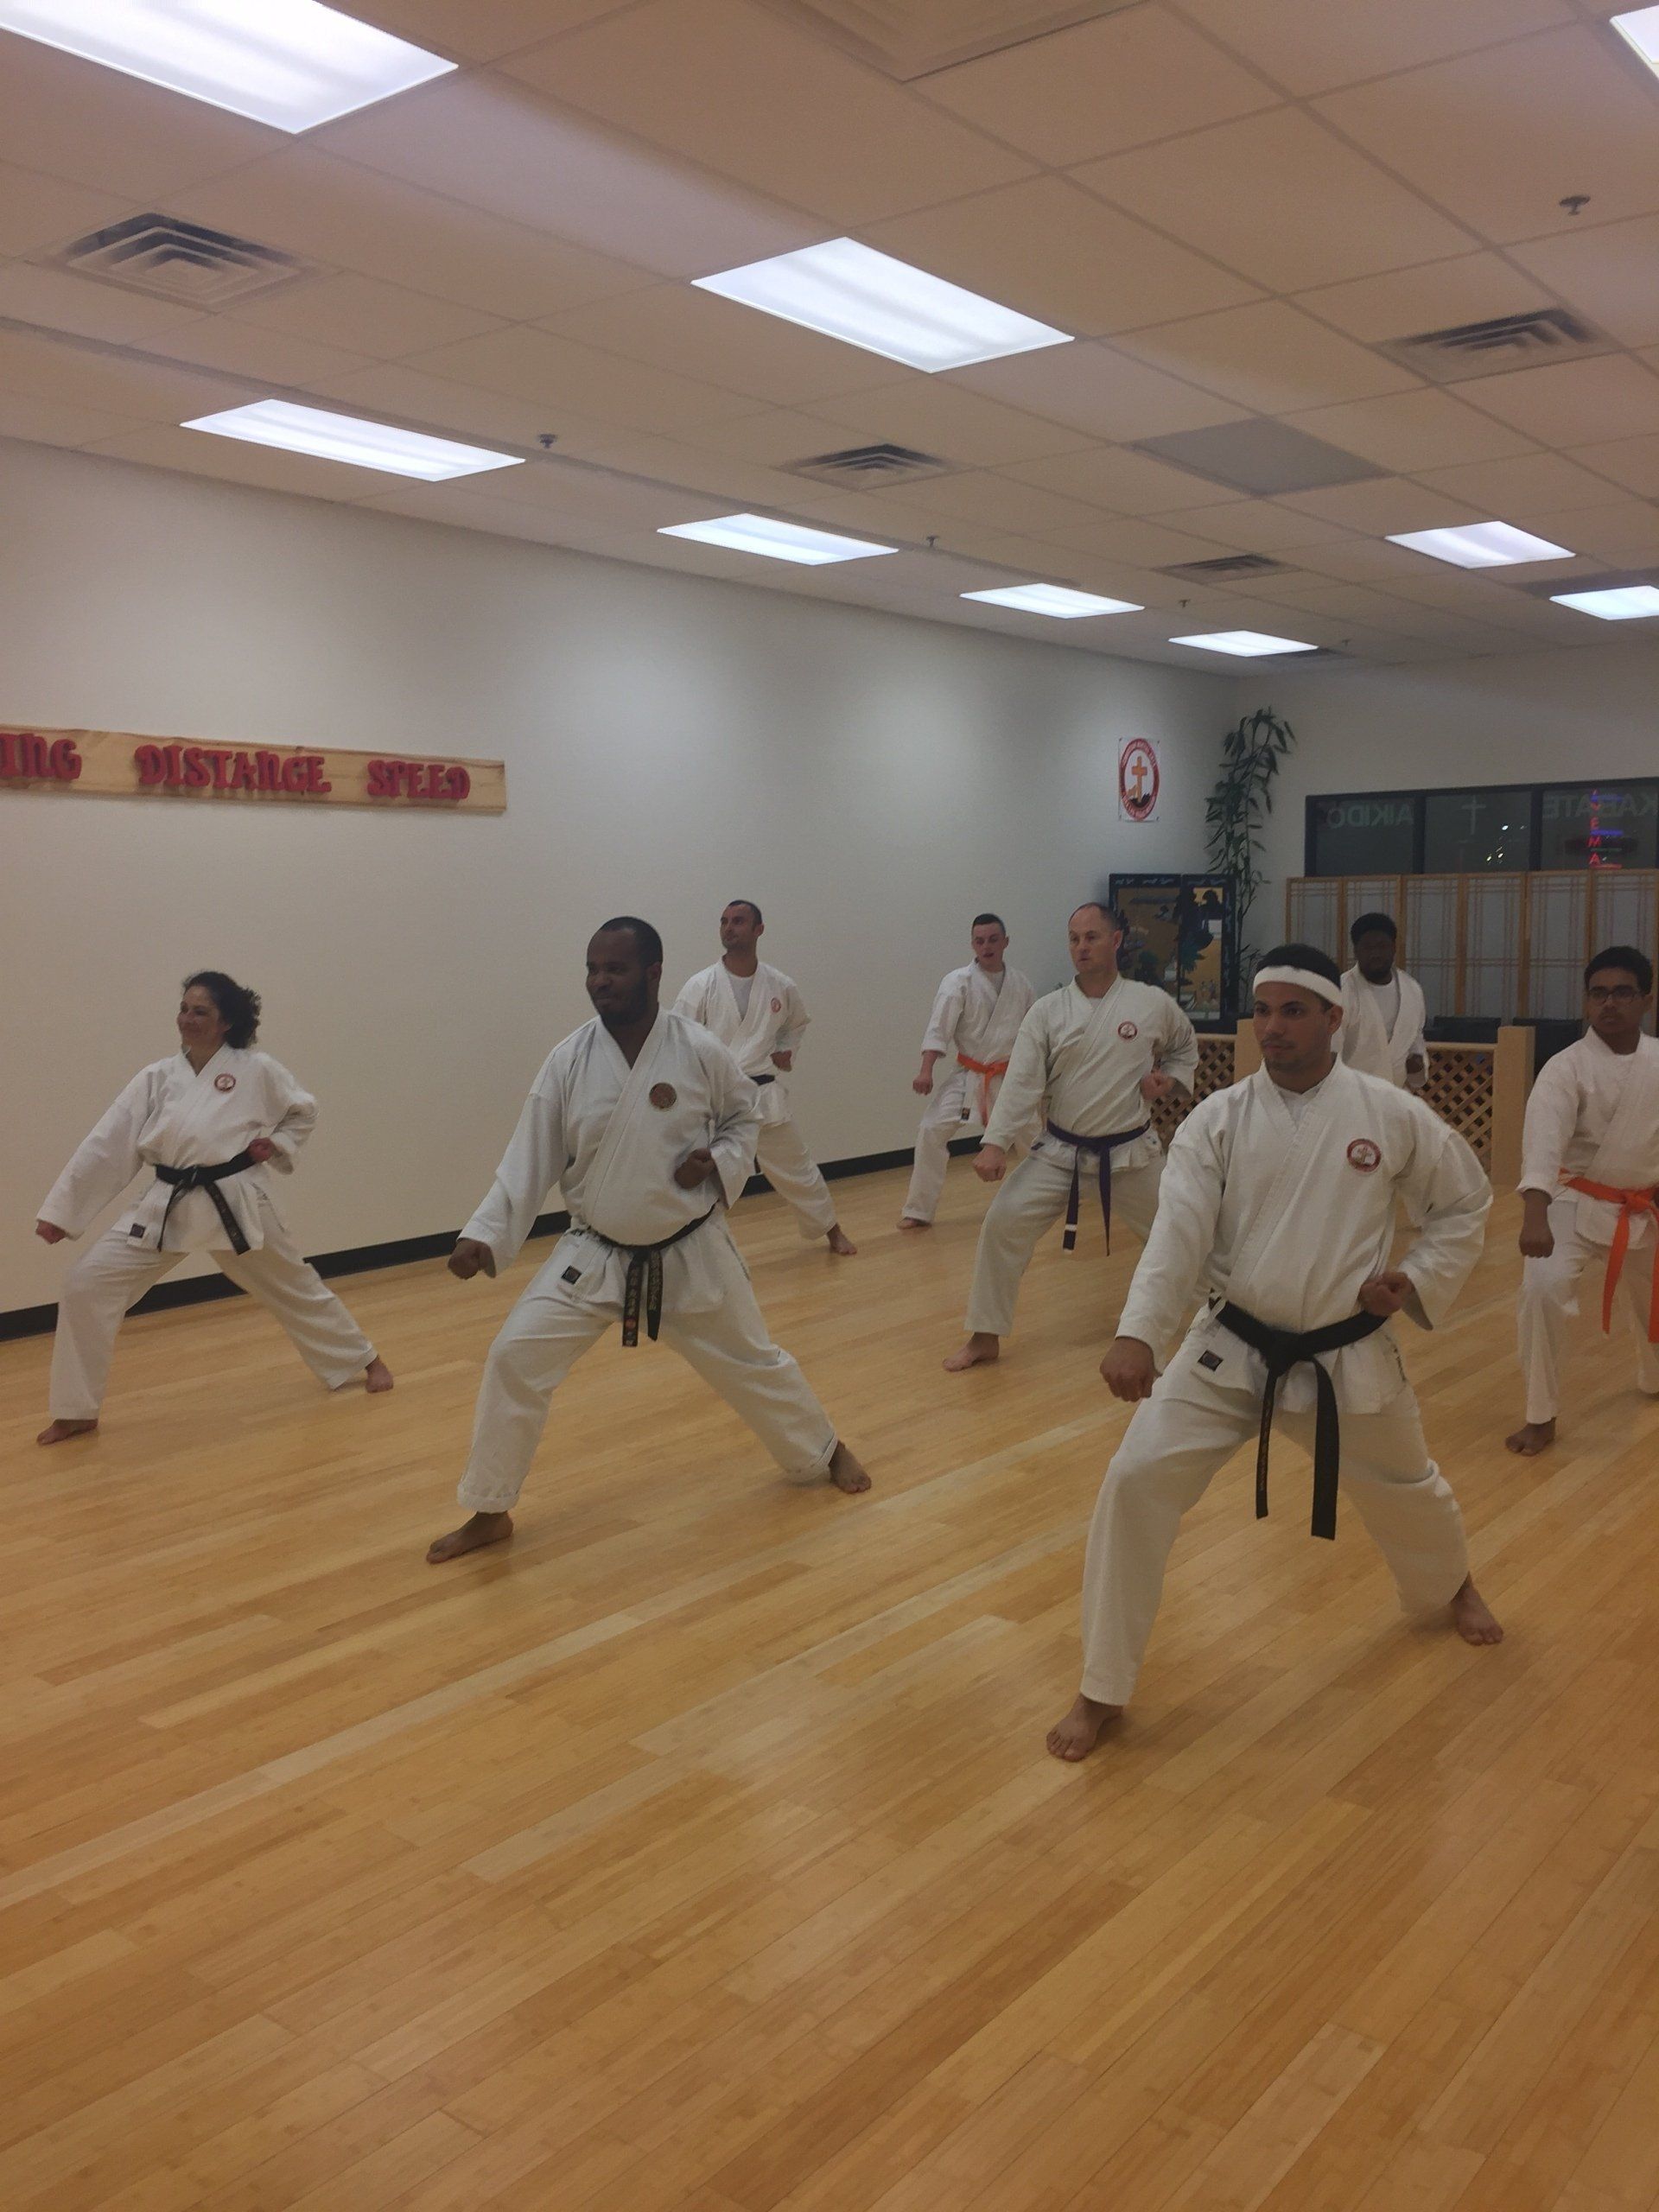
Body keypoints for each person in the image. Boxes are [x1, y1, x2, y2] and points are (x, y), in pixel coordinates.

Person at [1046, 944, 1502, 1763]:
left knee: (1408, 1489)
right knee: (1134, 1480)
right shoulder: (1216, 1120)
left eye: (1295, 1011)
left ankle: (1452, 1583)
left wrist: (1420, 1275)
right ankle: (1102, 1686)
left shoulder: (1386, 1111)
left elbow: (1465, 1197)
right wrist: (1139, 1331)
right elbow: (1178, 1236)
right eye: (1263, 1011)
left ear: (1335, 1018)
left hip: (1345, 1353)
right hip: (1231, 1349)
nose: (1274, 1027)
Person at [428, 918, 870, 1564]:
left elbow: (745, 1119)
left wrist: (717, 1162)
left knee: (753, 1362)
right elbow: (530, 1154)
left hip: (690, 1249)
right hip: (595, 1252)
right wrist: (487, 1234)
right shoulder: (569, 1059)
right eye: (593, 970)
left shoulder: (697, 1050)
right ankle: (491, 1508)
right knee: (513, 1357)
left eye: (615, 969)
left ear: (654, 974)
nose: (600, 982)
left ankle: (823, 1449)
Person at [34, 972, 391, 1443]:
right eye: (184, 1009)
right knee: (85, 1283)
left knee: (293, 1285)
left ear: (226, 1022)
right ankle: (77, 1409)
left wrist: (277, 1143)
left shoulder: (257, 1069)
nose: (188, 1019)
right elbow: (110, 1143)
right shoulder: (157, 1077)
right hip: (167, 1203)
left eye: (201, 1012)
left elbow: (303, 1110)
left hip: (236, 1202)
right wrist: (64, 1212)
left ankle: (363, 1359)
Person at [944, 902, 1198, 1371]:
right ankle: (984, 1336)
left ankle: (1218, 1319)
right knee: (1002, 1223)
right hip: (1059, 1151)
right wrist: (995, 1143)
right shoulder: (1048, 1011)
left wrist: (1170, 1080)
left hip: (1131, 1155)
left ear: (1116, 940)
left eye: (1092, 937)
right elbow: (1022, 1081)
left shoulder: (1150, 1003)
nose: (1081, 947)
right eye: (1074, 939)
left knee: (1181, 1229)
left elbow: (1184, 1047)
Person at [1506, 944, 1659, 1458]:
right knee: (1541, 1292)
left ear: (1645, 1000)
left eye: (1622, 993)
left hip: (1642, 1205)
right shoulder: (1564, 1068)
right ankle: (1539, 1414)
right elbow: (1543, 1144)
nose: (1608, 1003)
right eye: (1598, 994)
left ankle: (1655, 1377)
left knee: (1654, 1304)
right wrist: (1535, 1215)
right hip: (1572, 1200)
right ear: (1586, 1001)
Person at [673, 900, 855, 1256]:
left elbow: (796, 1024)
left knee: (798, 1168)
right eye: (724, 921)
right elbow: (679, 1040)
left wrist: (786, 1050)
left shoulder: (780, 985)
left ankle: (832, 1231)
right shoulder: (700, 985)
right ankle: (685, 1248)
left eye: (739, 921)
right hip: (715, 1100)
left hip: (761, 1096)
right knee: (700, 1177)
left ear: (759, 929)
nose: (729, 927)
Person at [899, 913, 1035, 1230]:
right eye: (979, 940)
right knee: (931, 1129)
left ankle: (1047, 1198)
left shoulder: (1021, 984)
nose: (986, 946)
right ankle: (918, 1210)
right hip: (970, 1074)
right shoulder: (957, 982)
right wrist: (926, 1070)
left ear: (1005, 941)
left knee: (1034, 1139)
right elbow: (939, 1027)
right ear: (972, 943)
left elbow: (1035, 1035)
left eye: (992, 939)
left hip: (1010, 1076)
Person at [1340, 912, 1427, 1090]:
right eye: (1368, 948)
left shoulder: (1412, 990)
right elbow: (1329, 1048)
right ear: (1356, 951)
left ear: (1394, 947)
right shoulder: (1341, 990)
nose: (1376, 954)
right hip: (1349, 1094)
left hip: (1394, 1094)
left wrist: (1417, 1060)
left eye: (1382, 946)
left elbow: (1416, 1038)